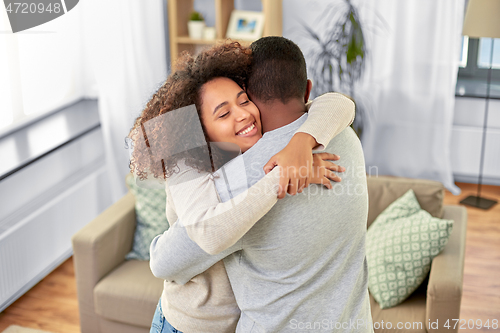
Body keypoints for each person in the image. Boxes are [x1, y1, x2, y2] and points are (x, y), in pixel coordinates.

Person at [149, 37, 373, 333]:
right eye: (223, 112)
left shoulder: (246, 170)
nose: (242, 114)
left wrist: (301, 144)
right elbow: (166, 260)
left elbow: (338, 103)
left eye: (242, 100)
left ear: (251, 95)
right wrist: (282, 174)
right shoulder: (345, 139)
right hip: (190, 323)